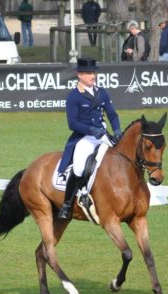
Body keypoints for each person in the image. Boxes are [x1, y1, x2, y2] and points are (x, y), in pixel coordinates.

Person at [57, 58, 122, 220]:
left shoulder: (102, 92)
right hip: (85, 137)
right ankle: (67, 204)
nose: (92, 76)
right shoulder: (74, 96)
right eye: (88, 73)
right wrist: (91, 130)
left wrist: (118, 131)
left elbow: (112, 114)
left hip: (103, 136)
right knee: (79, 168)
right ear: (79, 75)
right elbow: (72, 123)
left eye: (93, 73)